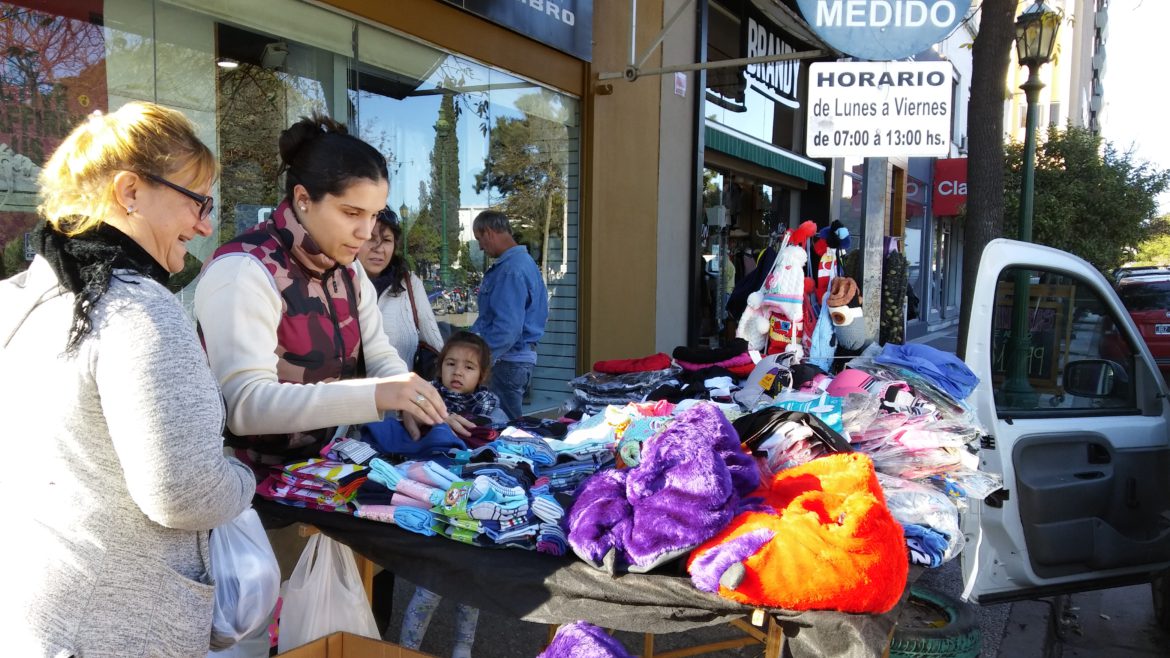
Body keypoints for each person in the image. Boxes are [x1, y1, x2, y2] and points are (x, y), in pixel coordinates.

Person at [0, 102, 255, 656]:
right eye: (198, 201)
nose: (206, 225)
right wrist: (243, 477)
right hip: (113, 627)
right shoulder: (137, 309)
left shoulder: (26, 296)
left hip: (37, 609)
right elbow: (185, 493)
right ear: (130, 192)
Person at [194, 112, 451, 471]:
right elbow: (244, 406)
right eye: (351, 212)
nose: (366, 231)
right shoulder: (243, 270)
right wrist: (376, 394)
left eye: (375, 215)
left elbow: (378, 351)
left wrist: (414, 400)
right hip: (250, 491)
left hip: (327, 472)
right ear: (303, 198)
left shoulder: (348, 267)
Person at [398, 331, 499, 658]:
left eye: (469, 367)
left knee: (468, 587)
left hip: (469, 502)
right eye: (451, 363)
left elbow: (491, 448)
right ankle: (407, 648)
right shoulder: (424, 398)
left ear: (482, 376)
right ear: (439, 367)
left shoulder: (487, 407)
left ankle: (463, 646)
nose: (458, 372)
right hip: (431, 497)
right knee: (430, 583)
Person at [470, 210, 548, 419]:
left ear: (489, 233)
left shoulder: (510, 270)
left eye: (479, 239)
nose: (480, 246)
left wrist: (478, 361)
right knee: (506, 424)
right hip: (515, 359)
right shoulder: (524, 263)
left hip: (507, 361)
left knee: (504, 429)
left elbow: (507, 329)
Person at [357, 206, 444, 371]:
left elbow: (436, 346)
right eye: (370, 238)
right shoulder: (338, 283)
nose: (379, 248)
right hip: (351, 394)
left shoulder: (411, 283)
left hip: (401, 392)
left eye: (387, 240)